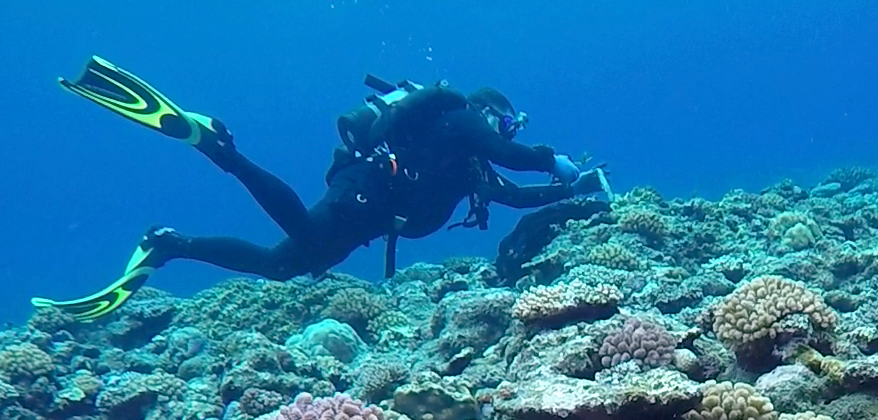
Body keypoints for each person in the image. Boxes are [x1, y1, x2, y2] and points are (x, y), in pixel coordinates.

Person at [34, 57, 609, 319]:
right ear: (489, 114)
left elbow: (512, 194)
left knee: (285, 264)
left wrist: (573, 195)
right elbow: (514, 156)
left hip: (373, 213)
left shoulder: (468, 164)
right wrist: (554, 160)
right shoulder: (460, 120)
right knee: (302, 235)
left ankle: (169, 244)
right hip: (367, 192)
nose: (500, 133)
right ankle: (219, 148)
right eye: (503, 122)